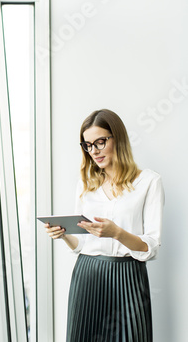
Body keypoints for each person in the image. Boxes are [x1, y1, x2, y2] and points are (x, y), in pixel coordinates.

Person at [45, 109, 165, 342]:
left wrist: (117, 234)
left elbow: (151, 247)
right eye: (88, 145)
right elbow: (81, 244)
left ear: (117, 138)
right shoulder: (85, 184)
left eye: (100, 142)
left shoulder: (149, 182)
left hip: (129, 276)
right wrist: (63, 235)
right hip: (87, 274)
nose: (94, 151)